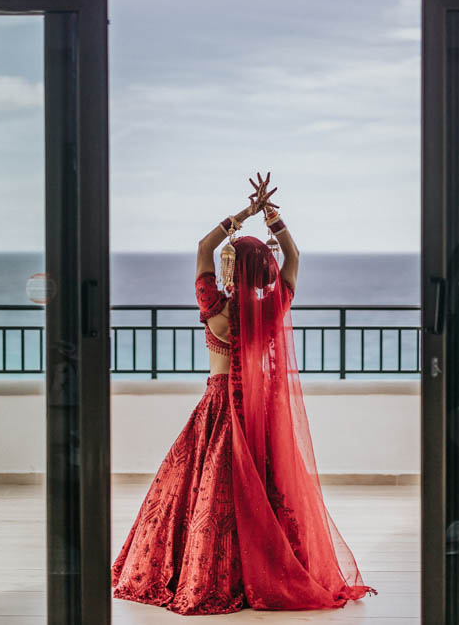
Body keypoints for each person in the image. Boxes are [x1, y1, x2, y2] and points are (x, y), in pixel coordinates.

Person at [111, 173, 376, 615]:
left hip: (217, 407)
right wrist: (275, 221)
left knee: (202, 495)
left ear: (234, 268)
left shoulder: (214, 309)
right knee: (265, 493)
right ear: (266, 271)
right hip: (258, 413)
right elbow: (294, 256)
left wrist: (242, 217)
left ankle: (207, 570)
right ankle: (268, 567)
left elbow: (202, 249)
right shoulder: (273, 310)